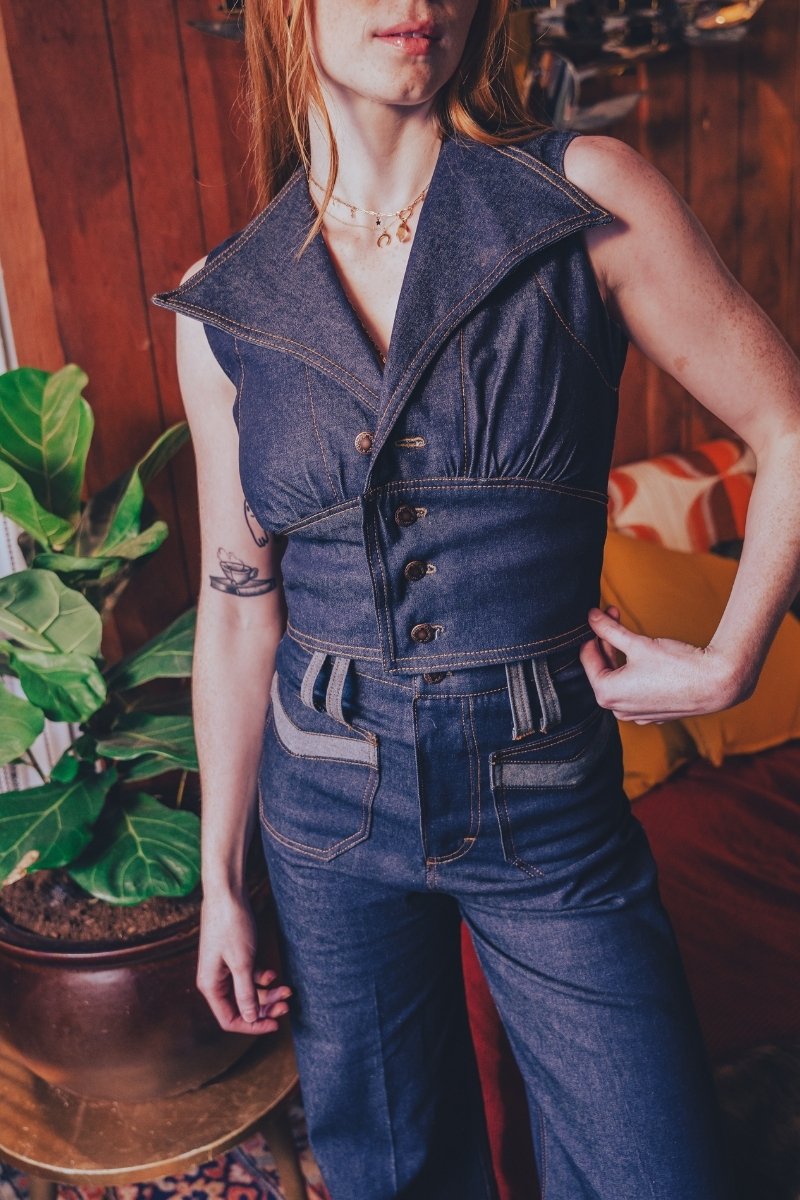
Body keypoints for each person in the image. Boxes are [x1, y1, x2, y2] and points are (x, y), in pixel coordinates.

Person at [152, 1, 800, 1196]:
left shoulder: (579, 196)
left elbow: (788, 425)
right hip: (324, 808)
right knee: (389, 1167)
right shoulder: (224, 302)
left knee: (655, 1170)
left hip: (545, 799)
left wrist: (729, 661)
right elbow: (239, 606)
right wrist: (220, 886)